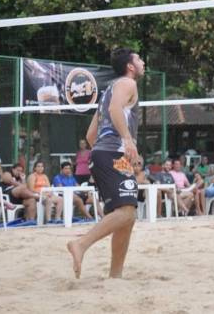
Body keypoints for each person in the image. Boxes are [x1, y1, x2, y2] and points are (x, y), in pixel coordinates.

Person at [67, 48, 144, 279]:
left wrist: (106, 151)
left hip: (103, 154)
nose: (142, 62)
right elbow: (114, 109)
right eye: (139, 59)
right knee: (127, 213)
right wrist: (126, 141)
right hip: (112, 154)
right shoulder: (127, 84)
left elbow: (91, 135)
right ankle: (81, 244)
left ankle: (115, 275)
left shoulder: (108, 91)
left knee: (125, 216)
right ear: (130, 66)